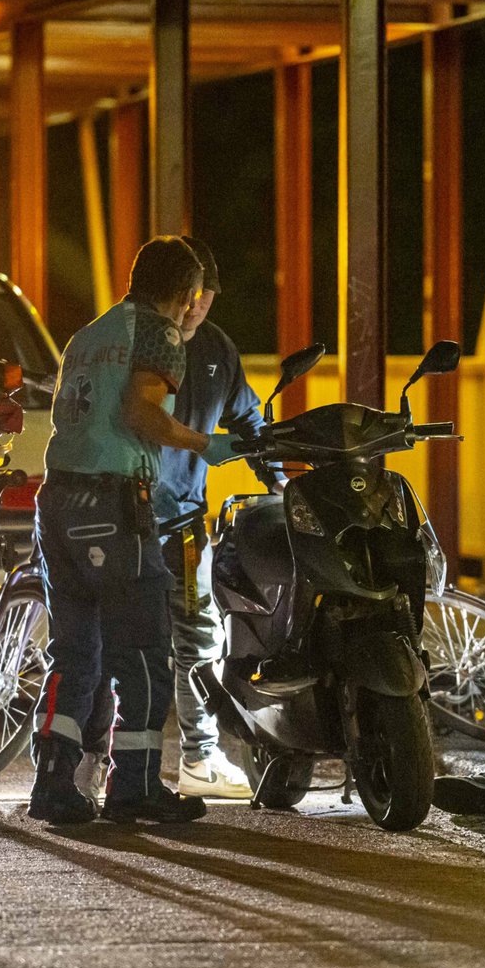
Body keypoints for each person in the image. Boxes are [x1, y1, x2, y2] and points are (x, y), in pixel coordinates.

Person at [27, 237, 240, 826]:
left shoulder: (90, 334)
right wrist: (205, 444)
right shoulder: (159, 331)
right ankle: (136, 787)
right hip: (113, 502)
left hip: (59, 500)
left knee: (75, 650)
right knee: (145, 650)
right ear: (185, 292)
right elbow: (140, 413)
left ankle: (54, 784)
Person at [155, 236, 285, 800]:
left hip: (183, 523)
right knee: (125, 642)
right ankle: (105, 760)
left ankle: (198, 760)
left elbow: (250, 421)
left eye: (206, 297)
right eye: (190, 296)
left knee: (197, 638)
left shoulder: (216, 350)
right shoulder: (137, 340)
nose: (197, 307)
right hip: (127, 516)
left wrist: (282, 480)